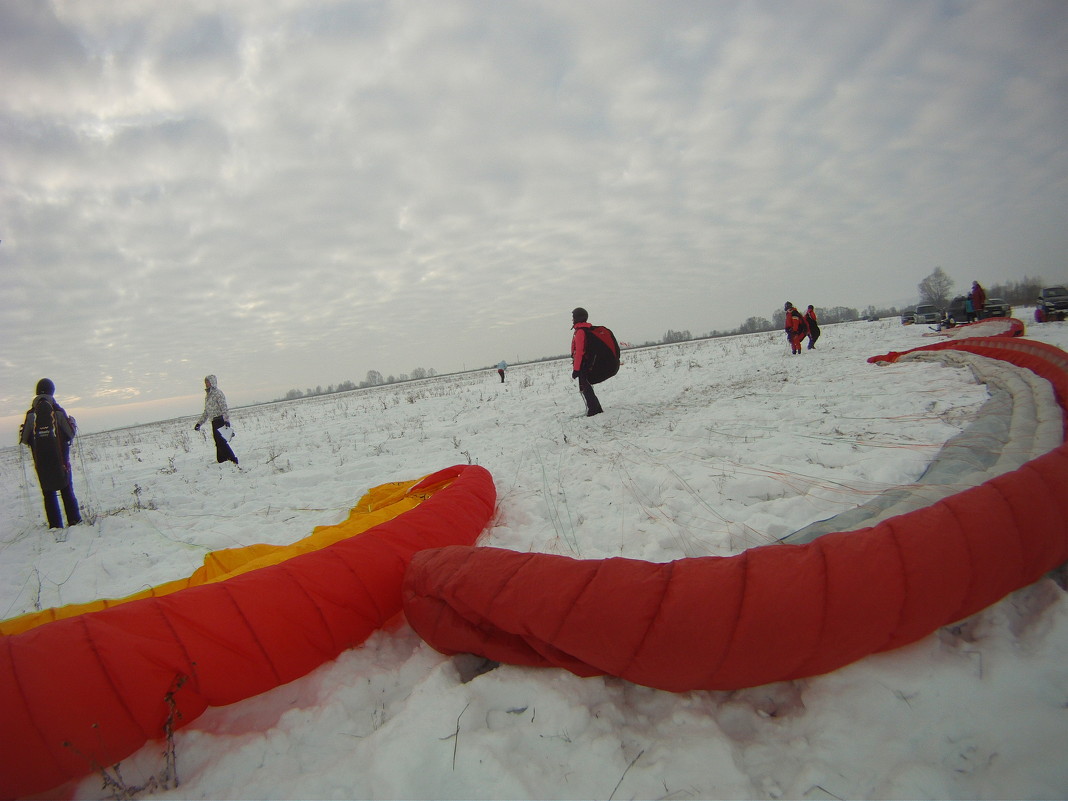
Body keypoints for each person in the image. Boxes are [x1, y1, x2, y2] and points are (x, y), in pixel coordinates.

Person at [20, 378, 82, 529]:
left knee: (48, 494)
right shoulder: (58, 411)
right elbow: (69, 433)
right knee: (67, 489)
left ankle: (55, 526)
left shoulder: (31, 414)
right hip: (61, 460)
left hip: (41, 462)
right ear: (51, 391)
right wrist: (72, 423)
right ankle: (74, 521)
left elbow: (24, 439)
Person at [194, 374, 238, 465]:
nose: (206, 384)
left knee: (221, 441)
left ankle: (233, 459)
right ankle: (222, 460)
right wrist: (199, 423)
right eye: (205, 382)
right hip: (214, 421)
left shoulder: (218, 393)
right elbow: (206, 412)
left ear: (212, 382)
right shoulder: (208, 396)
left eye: (208, 382)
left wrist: (226, 420)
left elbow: (224, 408)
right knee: (218, 442)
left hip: (220, 420)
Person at [571, 307, 604, 417]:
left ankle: (594, 410)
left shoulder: (580, 332)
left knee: (585, 388)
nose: (572, 320)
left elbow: (579, 352)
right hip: (586, 363)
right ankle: (596, 408)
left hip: (583, 364)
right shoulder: (585, 330)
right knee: (587, 387)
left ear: (577, 318)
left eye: (573, 317)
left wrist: (576, 369)